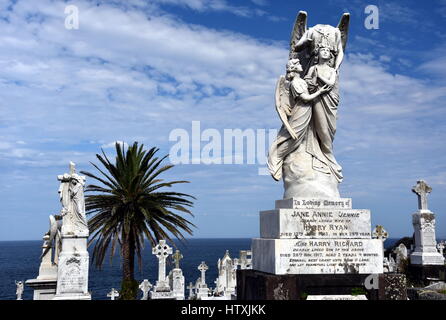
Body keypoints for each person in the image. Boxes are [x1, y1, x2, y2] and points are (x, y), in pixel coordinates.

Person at [267, 58, 331, 181]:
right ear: (295, 68)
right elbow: (306, 98)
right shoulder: (295, 83)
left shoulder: (301, 81)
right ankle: (276, 159)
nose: (301, 65)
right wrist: (320, 92)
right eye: (298, 64)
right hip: (300, 112)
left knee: (301, 137)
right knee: (293, 137)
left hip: (306, 111)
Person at [304, 45, 342, 182]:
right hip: (317, 100)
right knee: (321, 129)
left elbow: (331, 84)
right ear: (318, 54)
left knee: (331, 130)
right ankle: (327, 157)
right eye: (322, 50)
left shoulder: (332, 70)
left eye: (327, 51)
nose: (325, 52)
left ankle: (327, 154)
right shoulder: (312, 69)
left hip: (330, 102)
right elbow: (307, 84)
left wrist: (319, 76)